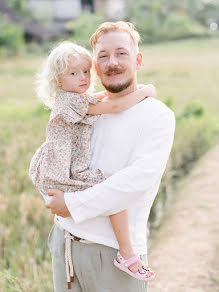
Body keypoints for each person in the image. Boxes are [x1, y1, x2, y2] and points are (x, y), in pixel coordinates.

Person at [45, 21, 175, 292]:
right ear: (94, 65)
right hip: (65, 244)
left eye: (121, 53)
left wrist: (72, 204)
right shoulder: (88, 106)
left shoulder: (157, 116)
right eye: (103, 55)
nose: (112, 62)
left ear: (137, 60)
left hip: (113, 255)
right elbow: (56, 155)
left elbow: (135, 182)